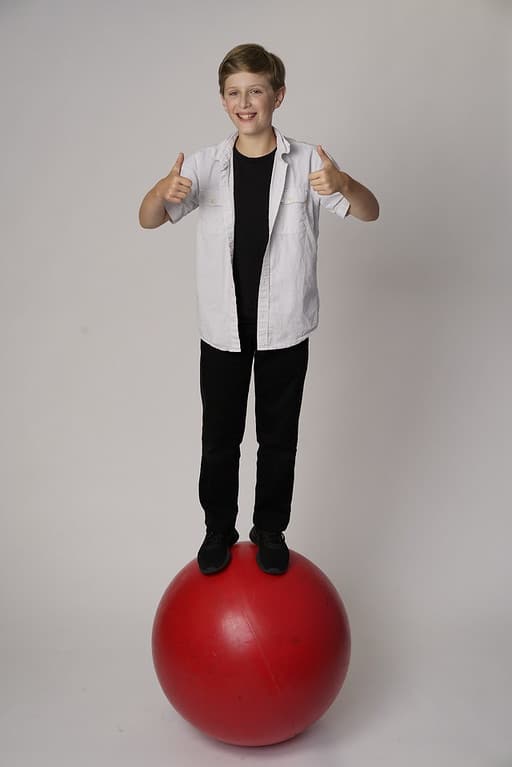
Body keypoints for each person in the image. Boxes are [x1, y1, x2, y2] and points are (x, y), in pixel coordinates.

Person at [139, 43, 379, 576]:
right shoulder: (203, 165)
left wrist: (344, 184)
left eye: (255, 91)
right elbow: (149, 219)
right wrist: (159, 190)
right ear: (223, 101)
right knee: (219, 438)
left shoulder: (310, 162)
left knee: (278, 439)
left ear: (278, 95)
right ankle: (217, 529)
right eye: (233, 93)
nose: (244, 102)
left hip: (285, 327)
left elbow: (369, 211)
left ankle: (270, 528)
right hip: (222, 329)